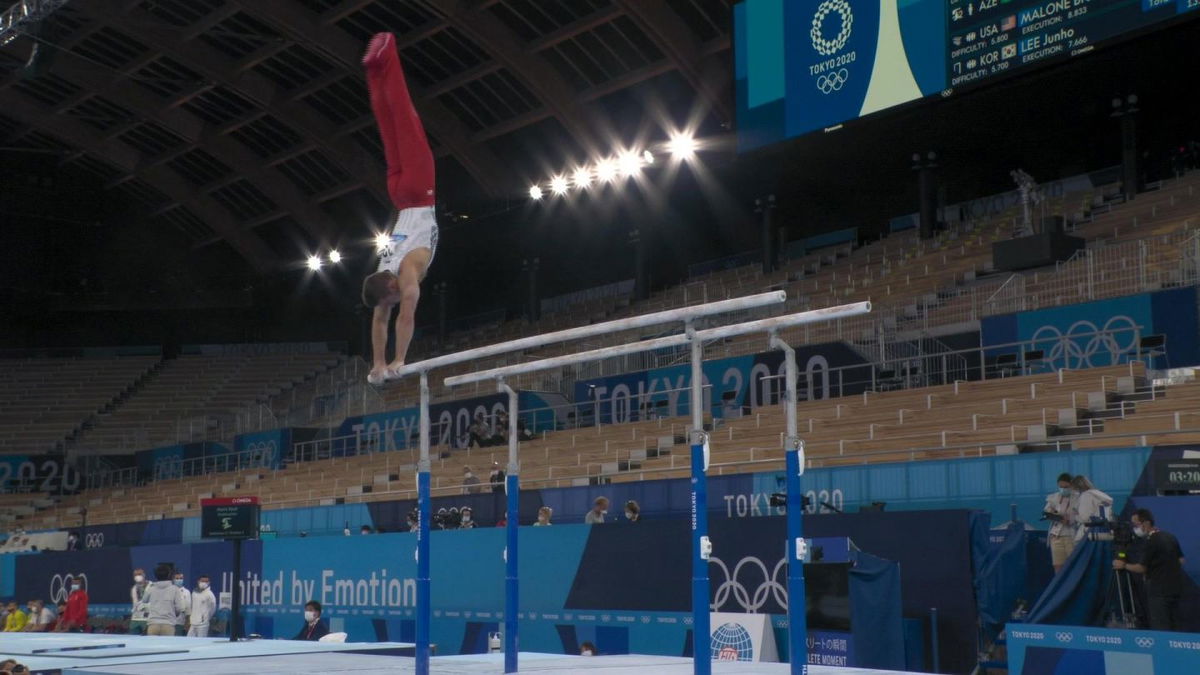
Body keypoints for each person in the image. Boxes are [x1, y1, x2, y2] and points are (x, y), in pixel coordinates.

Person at [360, 32, 438, 385]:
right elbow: (379, 317)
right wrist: (377, 363)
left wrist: (398, 359)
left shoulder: (404, 272)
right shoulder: (382, 267)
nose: (391, 302)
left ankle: (388, 51)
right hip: (398, 195)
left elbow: (403, 318)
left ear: (389, 286)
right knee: (387, 122)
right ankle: (374, 70)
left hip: (420, 193)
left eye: (390, 297)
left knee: (404, 115)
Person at [1113, 508, 1187, 631]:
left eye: (1136, 524)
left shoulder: (1152, 541)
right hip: (1175, 590)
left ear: (1146, 523)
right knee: (1175, 626)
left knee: (1161, 628)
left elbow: (1141, 568)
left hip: (1158, 592)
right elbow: (1181, 560)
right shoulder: (1170, 536)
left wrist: (1123, 565)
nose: (1134, 528)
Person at [1043, 473, 1078, 573]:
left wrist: (1070, 519)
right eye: (1061, 487)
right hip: (1056, 535)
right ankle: (1059, 586)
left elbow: (1080, 515)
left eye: (1066, 487)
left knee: (1073, 564)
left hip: (1071, 535)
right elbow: (1046, 512)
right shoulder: (1054, 497)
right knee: (1058, 565)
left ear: (1072, 486)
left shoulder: (1078, 497)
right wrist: (1054, 516)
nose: (1063, 489)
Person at [144, 564, 187, 636]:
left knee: (152, 647)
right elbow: (179, 608)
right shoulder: (175, 589)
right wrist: (173, 614)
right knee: (167, 647)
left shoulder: (151, 588)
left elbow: (144, 600)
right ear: (169, 575)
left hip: (153, 624)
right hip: (168, 625)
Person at [1071, 475, 1114, 542]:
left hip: (1089, 532)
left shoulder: (1086, 496)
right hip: (1105, 531)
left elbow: (1084, 518)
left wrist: (1075, 516)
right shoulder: (1100, 495)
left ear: (1077, 487)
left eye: (1073, 489)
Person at [129, 568, 150, 635]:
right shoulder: (134, 588)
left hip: (147, 619)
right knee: (133, 640)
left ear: (144, 575)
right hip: (135, 618)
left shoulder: (151, 586)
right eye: (135, 575)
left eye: (139, 574)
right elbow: (135, 603)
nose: (137, 576)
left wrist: (144, 606)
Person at [173, 570, 191, 635]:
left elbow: (188, 609)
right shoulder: (170, 591)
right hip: (170, 621)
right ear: (173, 579)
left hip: (181, 622)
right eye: (177, 578)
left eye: (181, 578)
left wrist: (187, 622)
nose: (179, 580)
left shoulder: (187, 592)